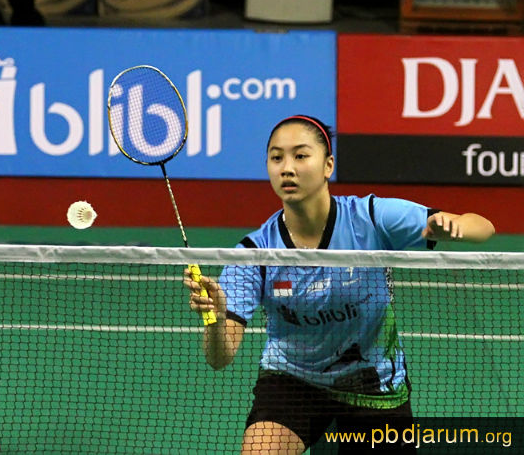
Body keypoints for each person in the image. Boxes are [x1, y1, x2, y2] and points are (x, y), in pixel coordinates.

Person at [184, 115, 495, 455]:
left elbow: (484, 227)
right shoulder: (254, 253)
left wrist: (455, 226)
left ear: (328, 165)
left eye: (301, 156)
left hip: (374, 385)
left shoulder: (371, 218)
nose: (287, 168)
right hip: (293, 381)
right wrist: (215, 319)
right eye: (277, 158)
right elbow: (219, 358)